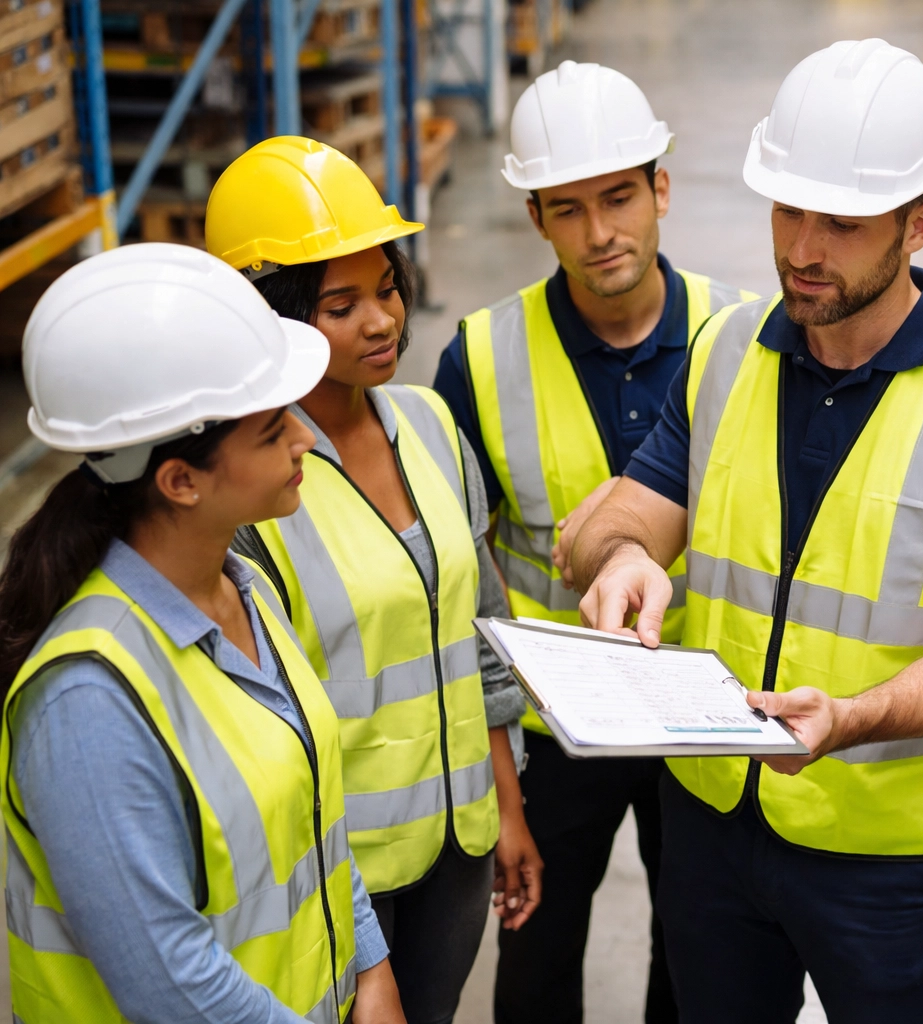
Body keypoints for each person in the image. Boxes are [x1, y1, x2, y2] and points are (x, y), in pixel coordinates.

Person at [569, 39, 923, 1023]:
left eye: (842, 223)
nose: (803, 249)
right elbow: (624, 517)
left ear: (920, 222)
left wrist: (850, 719)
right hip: (714, 825)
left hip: (885, 860)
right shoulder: (726, 352)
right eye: (788, 208)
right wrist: (624, 558)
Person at [0, 243, 406, 1023]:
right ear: (180, 481)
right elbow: (168, 982)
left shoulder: (243, 591)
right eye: (272, 431)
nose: (305, 440)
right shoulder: (87, 703)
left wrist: (371, 963)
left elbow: (309, 819)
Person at [430, 60, 751, 1024]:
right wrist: (501, 779)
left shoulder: (745, 340)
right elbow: (460, 577)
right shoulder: (480, 358)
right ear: (535, 217)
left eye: (618, 198)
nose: (599, 232)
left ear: (661, 189)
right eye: (567, 209)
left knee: (695, 956)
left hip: (700, 709)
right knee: (536, 960)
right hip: (553, 724)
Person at [204, 137, 540, 1023]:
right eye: (340, 305)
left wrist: (507, 809)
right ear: (269, 319)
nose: (382, 320)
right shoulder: (253, 492)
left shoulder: (430, 425)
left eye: (387, 289)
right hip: (339, 870)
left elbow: (483, 638)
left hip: (459, 849)